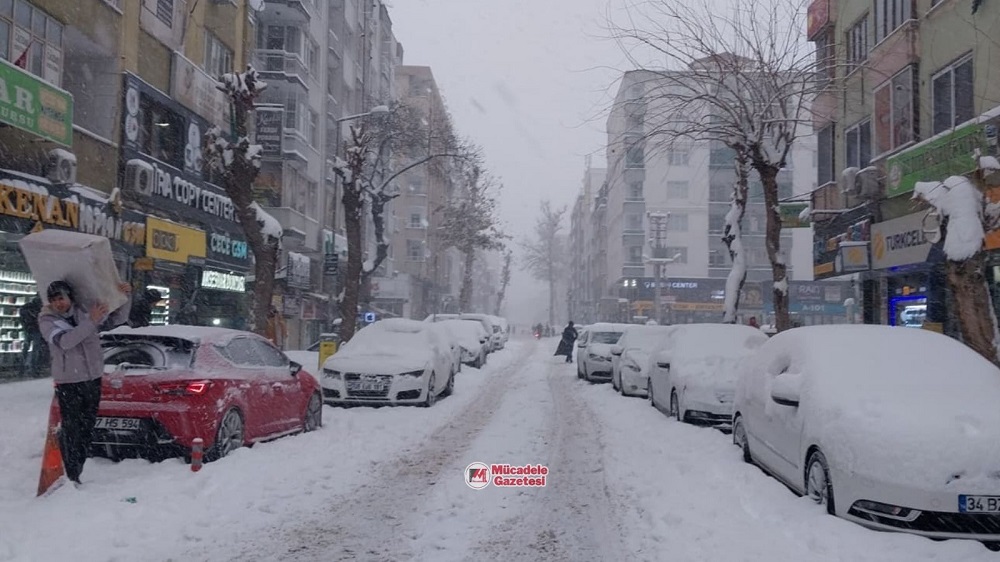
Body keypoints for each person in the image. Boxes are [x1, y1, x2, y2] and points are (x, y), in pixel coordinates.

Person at [38, 279, 132, 486]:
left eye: (61, 298)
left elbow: (117, 318)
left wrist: (125, 296)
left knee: (87, 428)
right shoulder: (47, 320)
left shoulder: (84, 311)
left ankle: (76, 470)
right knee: (72, 428)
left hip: (92, 378)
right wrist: (91, 321)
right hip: (69, 381)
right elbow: (65, 342)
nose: (58, 303)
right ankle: (70, 472)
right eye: (54, 300)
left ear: (70, 298)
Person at [19, 295, 45, 376]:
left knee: (25, 349)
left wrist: (25, 326)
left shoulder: (25, 307)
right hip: (36, 330)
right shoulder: (39, 308)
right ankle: (33, 369)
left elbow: (21, 318)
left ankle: (21, 369)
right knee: (35, 350)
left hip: (28, 330)